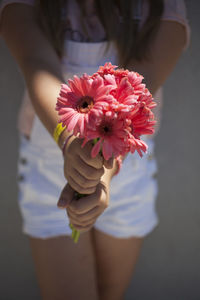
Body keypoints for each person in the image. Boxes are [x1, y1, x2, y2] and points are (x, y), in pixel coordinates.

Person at [0, 0, 190, 299]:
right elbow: (36, 63)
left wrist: (103, 170)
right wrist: (69, 140)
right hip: (50, 162)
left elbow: (137, 92)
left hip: (124, 163)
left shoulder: (162, 6)